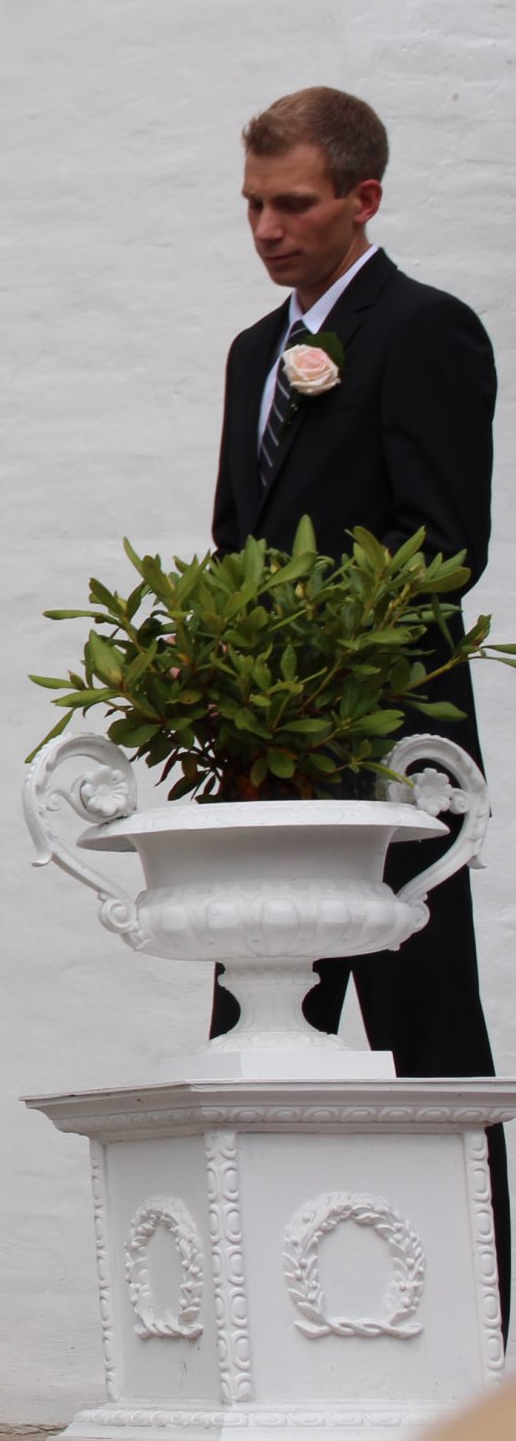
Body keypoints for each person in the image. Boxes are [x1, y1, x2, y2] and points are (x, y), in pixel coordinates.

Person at [209, 84, 505, 1307]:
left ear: (361, 198)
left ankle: (485, 1324)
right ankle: (264, 1321)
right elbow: (234, 542)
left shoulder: (424, 330)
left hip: (389, 741)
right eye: (251, 206)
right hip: (270, 749)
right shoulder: (253, 353)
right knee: (253, 1026)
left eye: (292, 204)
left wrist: (321, 652)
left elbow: (444, 547)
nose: (266, 229)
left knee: (425, 1028)